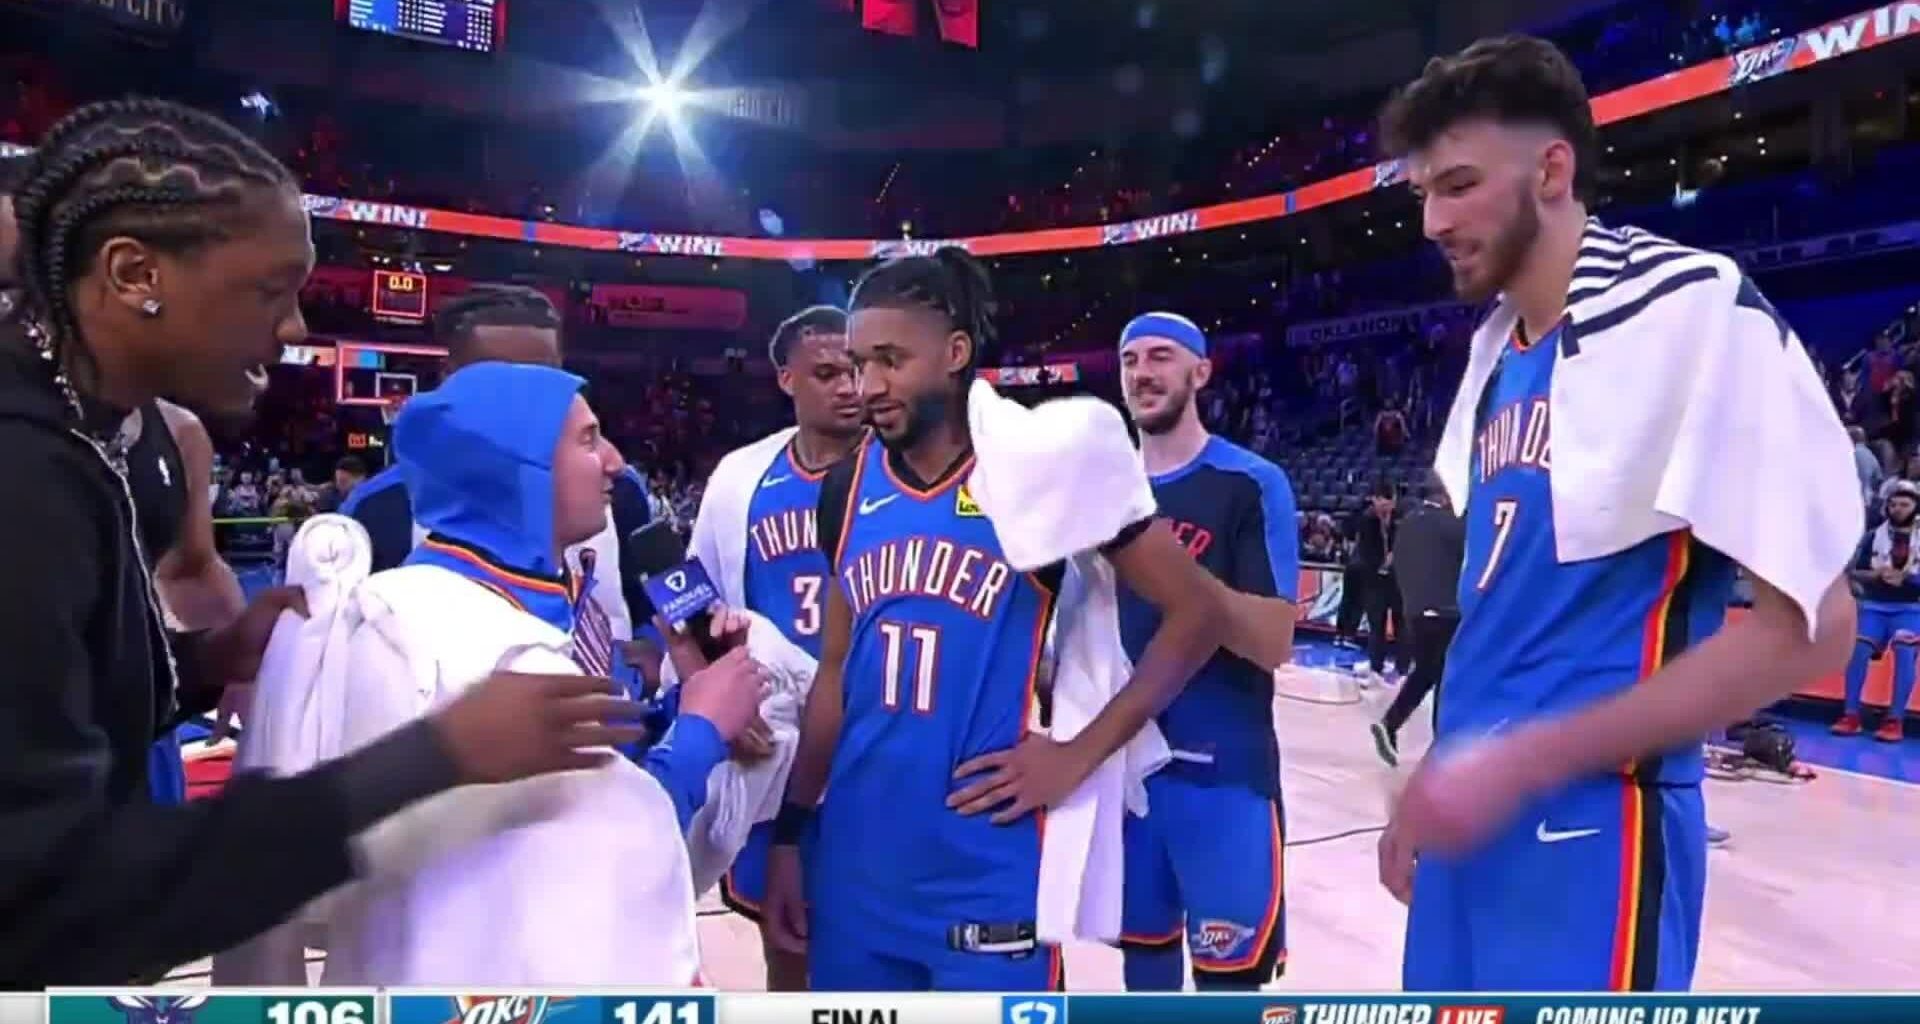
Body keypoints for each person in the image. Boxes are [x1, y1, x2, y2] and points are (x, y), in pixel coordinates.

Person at [0, 97, 646, 985]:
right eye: (270, 291)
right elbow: (51, 901)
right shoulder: (22, 477)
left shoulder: (121, 431)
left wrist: (201, 660)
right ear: (131, 273)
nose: (298, 327)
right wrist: (439, 753)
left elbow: (50, 680)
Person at [1376, 37, 1856, 991]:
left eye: (1461, 184)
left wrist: (1521, 763)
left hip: (1599, 831)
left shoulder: (1691, 309)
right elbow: (1509, 619)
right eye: (1425, 192)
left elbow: (1814, 628)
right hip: (1468, 832)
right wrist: (1439, 774)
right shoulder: (1492, 357)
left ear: (1553, 169)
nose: (1433, 220)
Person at [761, 249, 1227, 991]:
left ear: (955, 353)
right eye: (857, 362)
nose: (867, 385)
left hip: (986, 875)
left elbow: (1196, 613)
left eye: (890, 359)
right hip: (852, 866)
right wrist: (791, 830)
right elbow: (836, 671)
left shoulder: (1038, 466)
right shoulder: (845, 485)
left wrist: (1077, 753)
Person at [1111, 312, 1299, 991]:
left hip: (1225, 781)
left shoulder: (1249, 482)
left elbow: (1275, 640)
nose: (1142, 372)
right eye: (1130, 359)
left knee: (1229, 992)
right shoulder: (1100, 493)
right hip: (1128, 783)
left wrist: (1171, 574)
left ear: (1201, 370)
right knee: (1145, 981)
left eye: (1161, 356)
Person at [684, 305, 865, 990]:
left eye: (856, 368)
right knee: (785, 943)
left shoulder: (903, 467)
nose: (848, 385)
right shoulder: (740, 477)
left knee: (872, 944)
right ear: (786, 379)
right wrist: (723, 699)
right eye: (826, 373)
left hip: (874, 734)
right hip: (781, 742)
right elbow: (697, 602)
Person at [343, 284, 655, 671]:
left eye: (542, 376)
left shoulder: (619, 491)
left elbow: (658, 606)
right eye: (498, 376)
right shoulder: (377, 509)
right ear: (450, 378)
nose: (522, 395)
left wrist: (655, 648)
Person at [1371, 476, 1465, 766]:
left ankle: (1390, 723)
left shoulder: (1408, 523)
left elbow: (1397, 564)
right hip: (1446, 610)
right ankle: (1441, 746)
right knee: (1447, 678)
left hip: (1416, 611)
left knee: (1426, 673)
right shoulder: (1454, 525)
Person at [1834, 480, 1920, 741]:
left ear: (1916, 506)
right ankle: (1850, 715)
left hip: (1911, 608)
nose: (1897, 509)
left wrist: (1909, 580)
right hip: (1874, 605)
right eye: (1893, 504)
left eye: (1904, 504)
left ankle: (1895, 720)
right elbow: (1853, 573)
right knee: (1857, 649)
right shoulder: (1874, 535)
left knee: (1905, 650)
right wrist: (1876, 575)